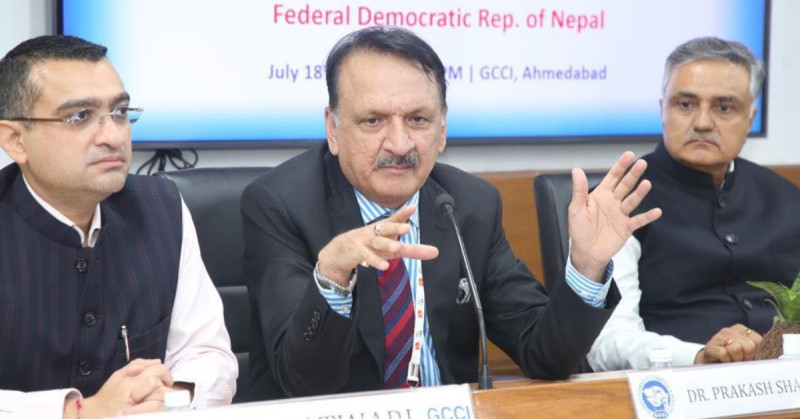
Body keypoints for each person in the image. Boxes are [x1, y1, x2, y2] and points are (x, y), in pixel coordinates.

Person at [242, 26, 661, 399]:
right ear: (333, 128)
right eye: (373, 121)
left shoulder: (468, 204)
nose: (400, 144)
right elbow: (303, 384)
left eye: (418, 119)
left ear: (442, 130)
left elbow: (545, 354)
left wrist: (587, 267)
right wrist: (333, 275)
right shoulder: (281, 205)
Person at [0, 35, 237, 417]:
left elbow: (207, 352)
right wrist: (78, 412)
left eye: (120, 112)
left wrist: (171, 396)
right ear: (15, 140)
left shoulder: (163, 208)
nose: (112, 136)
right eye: (79, 116)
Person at [587, 37, 800, 371]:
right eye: (686, 104)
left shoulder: (787, 198)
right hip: (676, 387)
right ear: (663, 109)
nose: (702, 122)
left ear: (750, 117)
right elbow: (606, 342)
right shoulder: (618, 202)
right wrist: (697, 356)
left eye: (724, 108)